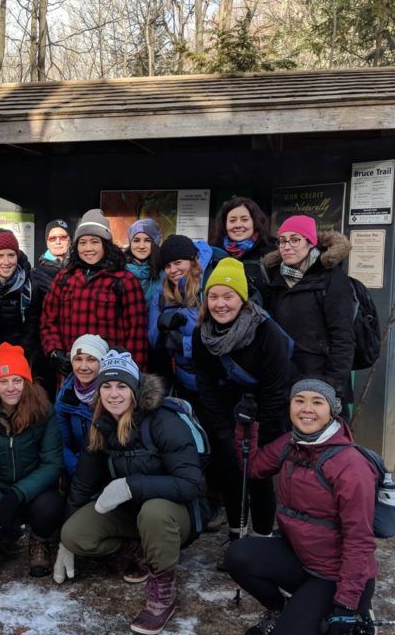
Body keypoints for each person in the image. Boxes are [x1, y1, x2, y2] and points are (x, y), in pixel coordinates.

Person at [225, 380, 378, 635]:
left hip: (333, 574)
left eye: (317, 402)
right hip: (298, 556)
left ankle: (359, 609)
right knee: (238, 555)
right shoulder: (290, 443)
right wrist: (246, 427)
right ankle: (281, 610)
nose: (307, 408)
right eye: (299, 401)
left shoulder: (350, 465)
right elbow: (254, 467)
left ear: (332, 411)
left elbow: (359, 540)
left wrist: (346, 603)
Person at [56, 351, 205, 635]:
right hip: (132, 513)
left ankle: (163, 590)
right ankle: (140, 550)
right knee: (76, 533)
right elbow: (83, 485)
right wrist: (66, 539)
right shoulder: (101, 425)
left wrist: (131, 485)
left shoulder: (163, 421)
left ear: (135, 389)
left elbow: (190, 484)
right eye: (107, 386)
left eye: (121, 386)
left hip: (176, 513)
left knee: (154, 512)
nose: (114, 394)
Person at [191, 257, 293, 565]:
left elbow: (277, 387)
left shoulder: (267, 334)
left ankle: (261, 543)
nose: (221, 304)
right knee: (231, 475)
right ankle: (237, 541)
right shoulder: (202, 334)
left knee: (259, 477)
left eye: (228, 296)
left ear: (242, 298)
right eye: (214, 297)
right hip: (225, 415)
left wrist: (258, 422)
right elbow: (205, 386)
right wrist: (224, 431)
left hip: (266, 415)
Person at [0, 343, 64, 576]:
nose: (11, 388)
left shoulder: (43, 411)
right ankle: (6, 536)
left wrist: (16, 494)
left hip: (31, 490)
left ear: (26, 382)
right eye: (3, 381)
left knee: (49, 507)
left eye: (17, 380)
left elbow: (52, 464)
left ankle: (39, 540)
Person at [41, 209, 149, 375]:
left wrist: (131, 374)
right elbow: (48, 321)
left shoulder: (124, 280)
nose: (88, 248)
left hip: (110, 375)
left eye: (94, 242)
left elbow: (137, 335)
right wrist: (55, 351)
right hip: (71, 371)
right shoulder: (64, 278)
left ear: (105, 245)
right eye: (82, 242)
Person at [264, 216, 355, 413]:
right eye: (282, 240)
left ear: (310, 242)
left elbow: (343, 337)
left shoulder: (331, 278)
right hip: (287, 379)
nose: (287, 246)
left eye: (295, 239)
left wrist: (334, 388)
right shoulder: (277, 278)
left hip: (321, 382)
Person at [148, 234, 208, 397]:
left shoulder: (208, 288)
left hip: (213, 380)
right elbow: (153, 340)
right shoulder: (161, 295)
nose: (173, 270)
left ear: (192, 261)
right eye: (167, 265)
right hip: (182, 381)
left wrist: (184, 343)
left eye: (178, 262)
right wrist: (162, 325)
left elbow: (218, 337)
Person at [54, 334, 109, 480]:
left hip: (109, 470)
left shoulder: (113, 394)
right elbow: (61, 444)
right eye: (78, 359)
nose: (83, 367)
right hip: (80, 470)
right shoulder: (66, 394)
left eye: (91, 359)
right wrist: (77, 470)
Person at [31, 219, 71, 400]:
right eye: (52, 237)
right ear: (46, 242)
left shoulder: (79, 269)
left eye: (62, 236)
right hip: (47, 351)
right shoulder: (37, 274)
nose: (58, 241)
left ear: (69, 240)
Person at [0, 229, 37, 351]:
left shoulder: (30, 287)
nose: (6, 262)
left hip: (19, 355)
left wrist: (19, 354)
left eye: (11, 255)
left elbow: (31, 330)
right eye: (0, 256)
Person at [210, 196, 276, 305]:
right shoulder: (214, 255)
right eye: (232, 220)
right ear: (224, 224)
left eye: (244, 219)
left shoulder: (270, 253)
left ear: (255, 222)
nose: (238, 225)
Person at [124, 218, 164, 306]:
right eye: (136, 240)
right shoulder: (119, 271)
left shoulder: (164, 273)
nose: (141, 246)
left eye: (147, 240)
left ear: (155, 243)